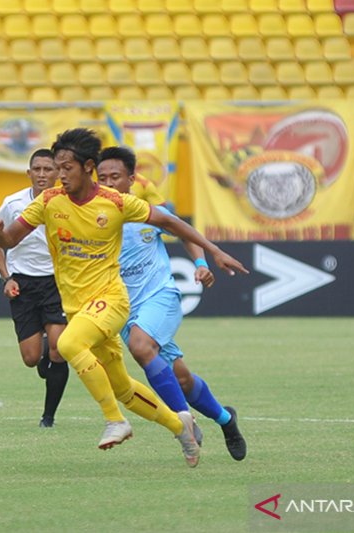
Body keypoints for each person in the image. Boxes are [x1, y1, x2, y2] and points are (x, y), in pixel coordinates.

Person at [0, 128, 248, 468]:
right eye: (56, 167)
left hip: (112, 300)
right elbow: (10, 241)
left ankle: (115, 420)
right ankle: (179, 426)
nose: (59, 175)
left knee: (68, 345)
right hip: (78, 307)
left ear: (87, 166)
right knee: (122, 386)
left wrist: (212, 253)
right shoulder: (48, 202)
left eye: (66, 167)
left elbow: (171, 222)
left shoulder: (117, 203)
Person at [97, 145, 247, 461]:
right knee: (181, 377)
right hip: (125, 309)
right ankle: (225, 419)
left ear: (131, 179)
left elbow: (185, 232)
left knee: (140, 346)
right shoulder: (91, 219)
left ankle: (184, 422)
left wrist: (202, 263)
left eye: (116, 177)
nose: (109, 183)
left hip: (160, 297)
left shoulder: (145, 210)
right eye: (102, 178)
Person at [0, 149, 69, 428]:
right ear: (29, 173)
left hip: (58, 282)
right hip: (23, 283)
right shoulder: (13, 204)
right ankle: (45, 343)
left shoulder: (68, 203)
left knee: (60, 351)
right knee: (32, 358)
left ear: (58, 174)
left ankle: (48, 417)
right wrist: (6, 277)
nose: (43, 174)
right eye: (38, 169)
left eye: (49, 169)